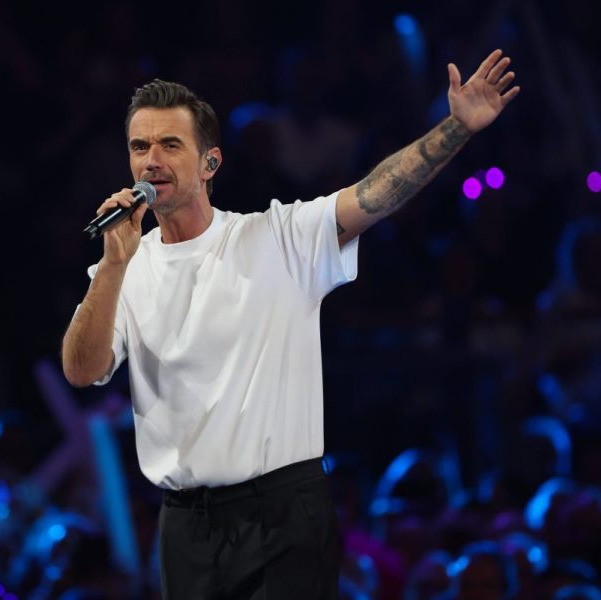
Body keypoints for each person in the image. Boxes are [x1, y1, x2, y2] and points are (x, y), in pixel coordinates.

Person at [61, 48, 519, 599]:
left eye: (170, 145)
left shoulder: (276, 237)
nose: (151, 159)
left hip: (281, 514)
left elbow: (376, 194)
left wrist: (456, 128)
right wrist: (113, 266)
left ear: (210, 164)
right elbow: (82, 370)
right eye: (140, 146)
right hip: (186, 523)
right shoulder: (124, 269)